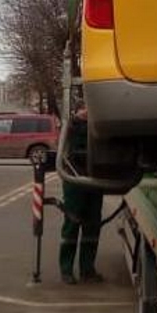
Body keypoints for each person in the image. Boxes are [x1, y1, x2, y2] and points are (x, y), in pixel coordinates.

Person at [59, 104, 104, 284]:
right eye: (84, 107)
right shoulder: (73, 125)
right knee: (72, 223)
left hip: (95, 178)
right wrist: (79, 120)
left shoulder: (100, 125)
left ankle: (87, 269)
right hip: (75, 180)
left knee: (92, 225)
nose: (88, 110)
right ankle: (66, 270)